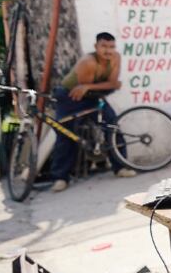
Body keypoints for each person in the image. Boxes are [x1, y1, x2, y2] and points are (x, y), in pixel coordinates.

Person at [49, 32, 136, 192]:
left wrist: (90, 86)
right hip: (70, 97)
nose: (108, 50)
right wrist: (97, 86)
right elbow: (81, 90)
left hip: (92, 94)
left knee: (112, 126)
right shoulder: (87, 62)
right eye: (104, 46)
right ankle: (60, 177)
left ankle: (120, 167)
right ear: (96, 47)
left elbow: (112, 83)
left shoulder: (115, 57)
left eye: (111, 47)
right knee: (66, 135)